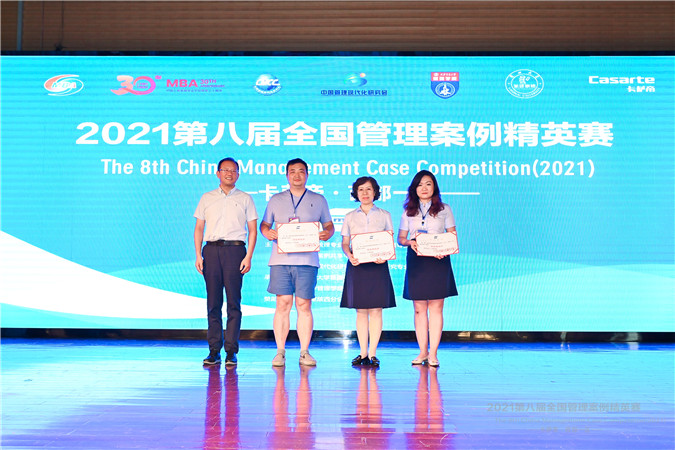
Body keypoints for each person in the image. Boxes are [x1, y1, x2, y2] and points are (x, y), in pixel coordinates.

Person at [260, 158, 334, 367]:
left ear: (307, 175)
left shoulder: (318, 199)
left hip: (307, 261)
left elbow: (329, 226)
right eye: (292, 171)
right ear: (287, 175)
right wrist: (267, 232)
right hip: (280, 260)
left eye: (301, 171)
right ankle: (280, 352)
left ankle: (304, 352)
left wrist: (326, 233)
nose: (297, 175)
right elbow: (264, 224)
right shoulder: (276, 199)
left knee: (304, 305)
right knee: (282, 304)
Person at [194, 157, 258, 366]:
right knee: (213, 303)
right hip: (211, 251)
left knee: (234, 303)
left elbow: (253, 230)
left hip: (235, 251)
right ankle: (214, 350)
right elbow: (199, 228)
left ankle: (231, 351)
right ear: (218, 173)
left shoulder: (246, 198)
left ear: (238, 174)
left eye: (233, 170)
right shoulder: (207, 197)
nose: (229, 173)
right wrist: (198, 255)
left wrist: (248, 256)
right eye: (225, 170)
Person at [397, 170, 458, 367]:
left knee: (436, 307)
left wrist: (445, 248)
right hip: (417, 260)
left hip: (438, 260)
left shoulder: (445, 209)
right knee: (419, 308)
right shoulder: (408, 211)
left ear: (434, 187)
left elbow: (452, 234)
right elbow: (401, 238)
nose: (424, 188)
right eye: (420, 184)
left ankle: (433, 354)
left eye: (428, 184)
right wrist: (410, 242)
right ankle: (423, 352)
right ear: (414, 189)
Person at [340, 176, 396, 367]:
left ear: (375, 192)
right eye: (361, 189)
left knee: (376, 310)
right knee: (361, 310)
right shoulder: (349, 216)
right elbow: (345, 243)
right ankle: (363, 353)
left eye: (369, 189)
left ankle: (373, 354)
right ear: (356, 193)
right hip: (357, 265)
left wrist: (385, 255)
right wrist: (349, 255)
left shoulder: (385, 215)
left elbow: (389, 241)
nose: (365, 193)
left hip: (378, 266)